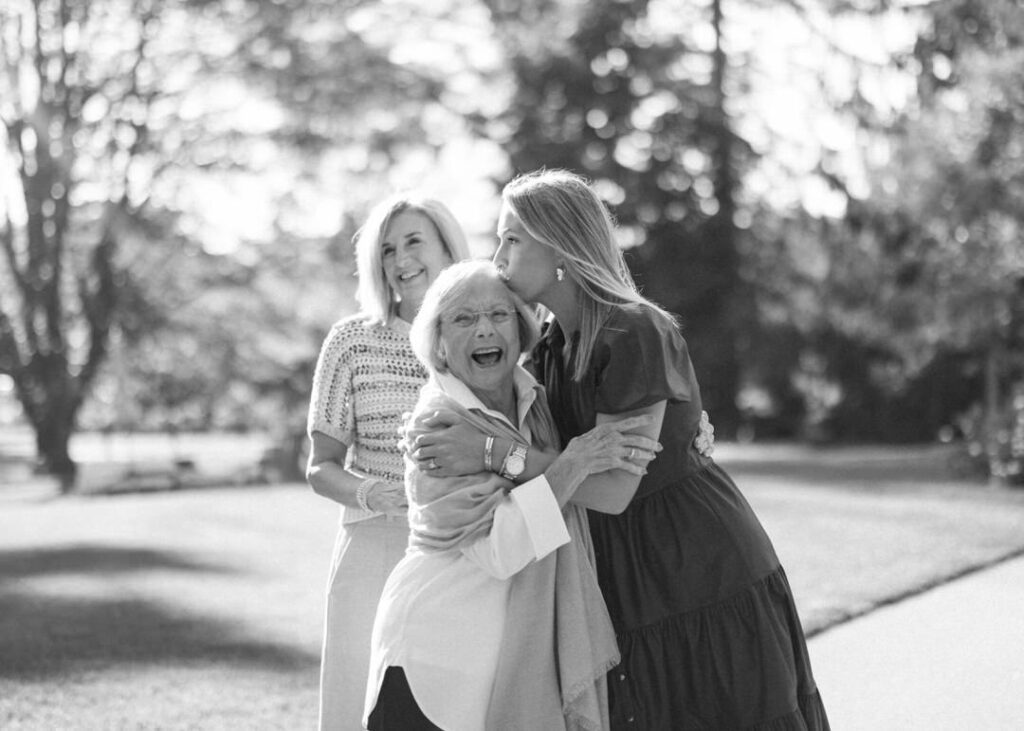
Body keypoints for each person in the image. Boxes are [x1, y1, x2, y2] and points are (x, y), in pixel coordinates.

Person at [409, 169, 830, 730]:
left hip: (694, 566)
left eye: (512, 238)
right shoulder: (552, 348)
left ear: (558, 246)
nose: (499, 253)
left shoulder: (634, 331)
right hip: (618, 576)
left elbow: (611, 490)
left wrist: (491, 454)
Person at [365, 260, 659, 731]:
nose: (484, 329)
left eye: (498, 315)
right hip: (433, 661)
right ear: (437, 341)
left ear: (521, 330)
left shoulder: (536, 402)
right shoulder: (437, 424)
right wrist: (570, 466)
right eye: (463, 318)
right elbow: (500, 551)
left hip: (500, 667)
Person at [305, 192, 471, 731]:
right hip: (372, 542)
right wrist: (368, 492)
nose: (400, 260)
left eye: (414, 242)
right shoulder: (350, 341)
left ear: (448, 248)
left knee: (446, 704)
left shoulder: (481, 336)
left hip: (458, 548)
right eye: (386, 249)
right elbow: (319, 465)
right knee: (356, 701)